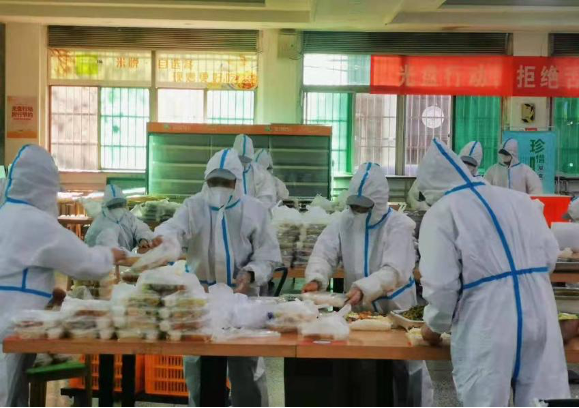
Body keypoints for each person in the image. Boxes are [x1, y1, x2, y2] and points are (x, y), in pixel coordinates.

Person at [417, 139, 569, 407]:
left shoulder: (442, 212)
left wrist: (435, 325)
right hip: (540, 310)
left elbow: (442, 287)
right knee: (542, 401)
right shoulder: (520, 201)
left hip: (487, 319)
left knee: (486, 399)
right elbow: (549, 256)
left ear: (431, 189)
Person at [152, 148, 281, 407]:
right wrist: (162, 239)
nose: (219, 187)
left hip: (241, 301)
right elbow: (174, 228)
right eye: (214, 181)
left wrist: (250, 274)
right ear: (206, 180)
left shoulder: (254, 210)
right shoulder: (193, 206)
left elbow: (268, 256)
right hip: (200, 302)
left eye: (225, 182)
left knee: (245, 369)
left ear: (237, 182)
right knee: (198, 369)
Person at [0, 145, 125, 407]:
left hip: (13, 321)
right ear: (45, 186)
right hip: (9, 324)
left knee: (13, 395)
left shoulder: (6, 214)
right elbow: (86, 263)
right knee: (6, 393)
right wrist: (111, 255)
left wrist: (48, 293)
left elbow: (15, 270)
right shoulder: (37, 222)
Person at [303, 163, 433, 407]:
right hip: (360, 311)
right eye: (354, 206)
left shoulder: (398, 225)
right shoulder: (344, 221)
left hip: (396, 309)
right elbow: (324, 253)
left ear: (379, 204)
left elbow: (394, 270)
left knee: (406, 366)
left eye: (364, 207)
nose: (358, 211)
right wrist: (316, 278)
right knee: (364, 368)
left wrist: (364, 288)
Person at [407, 140, 486, 211]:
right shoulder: (446, 174)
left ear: (476, 166)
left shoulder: (480, 185)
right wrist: (421, 206)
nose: (466, 166)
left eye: (471, 164)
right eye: (464, 162)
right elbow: (412, 196)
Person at [85, 184, 154, 252]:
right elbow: (91, 243)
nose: (117, 209)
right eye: (113, 206)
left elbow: (141, 229)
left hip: (128, 256)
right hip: (108, 257)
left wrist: (143, 239)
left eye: (119, 205)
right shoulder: (100, 221)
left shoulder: (127, 216)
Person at [232, 134, 277, 210]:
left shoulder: (261, 173)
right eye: (240, 159)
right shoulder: (226, 171)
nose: (243, 163)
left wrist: (253, 210)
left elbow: (267, 198)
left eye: (246, 159)